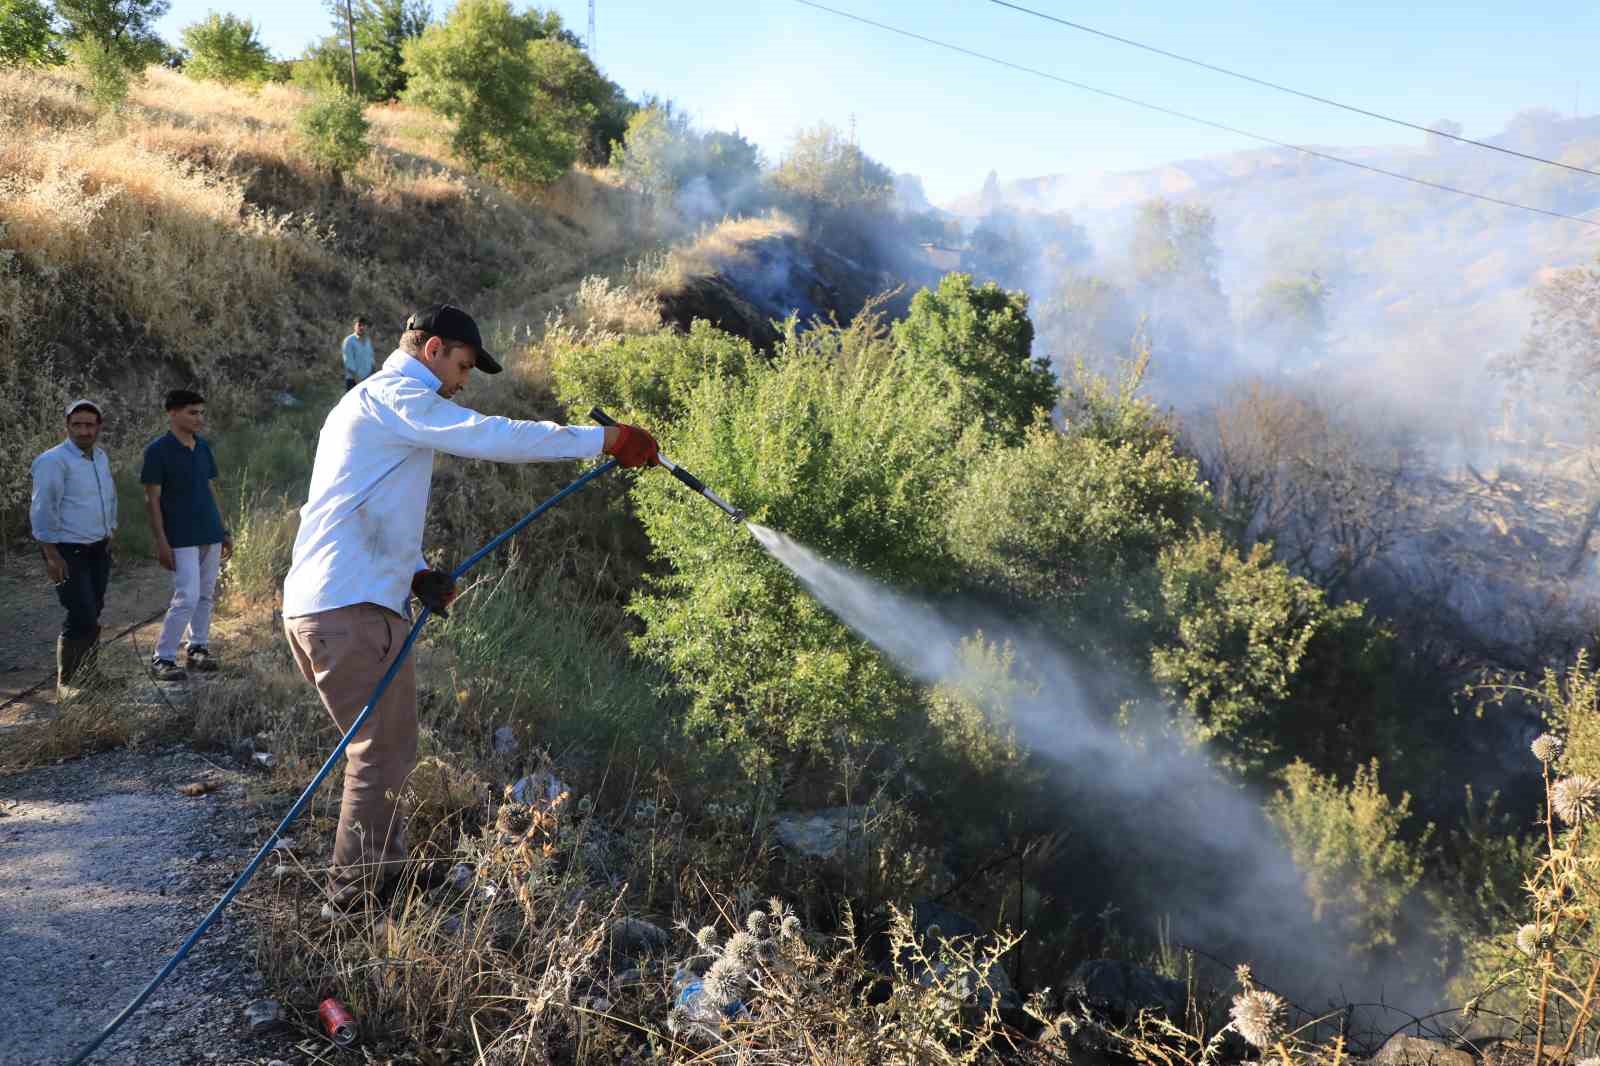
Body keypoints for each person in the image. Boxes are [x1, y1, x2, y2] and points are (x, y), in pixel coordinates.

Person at [281, 303, 659, 917]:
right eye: (461, 365)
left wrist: (416, 573)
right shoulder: (394, 396)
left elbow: (364, 505)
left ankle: (388, 877)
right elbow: (491, 435)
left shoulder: (372, 407)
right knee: (378, 755)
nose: (462, 382)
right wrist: (605, 439)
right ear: (431, 348)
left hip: (335, 602)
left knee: (388, 750)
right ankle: (349, 906)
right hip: (347, 610)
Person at [141, 389, 232, 682]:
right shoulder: (157, 451)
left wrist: (223, 528)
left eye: (201, 413)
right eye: (192, 413)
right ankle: (163, 657)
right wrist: (161, 540)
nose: (199, 418)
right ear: (172, 413)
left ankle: (198, 648)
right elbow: (152, 499)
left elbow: (209, 488)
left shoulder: (202, 447)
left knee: (206, 594)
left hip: (210, 531)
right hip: (180, 536)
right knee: (187, 596)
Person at [30, 399, 118, 698]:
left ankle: (91, 675)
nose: (83, 430)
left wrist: (111, 530)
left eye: (89, 425)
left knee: (94, 610)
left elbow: (108, 495)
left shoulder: (101, 457)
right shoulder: (53, 461)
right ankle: (68, 682)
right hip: (67, 550)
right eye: (77, 424)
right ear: (67, 426)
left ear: (99, 427)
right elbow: (43, 509)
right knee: (80, 612)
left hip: (98, 549)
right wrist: (51, 555)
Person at [341, 316, 375, 391]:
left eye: (364, 325)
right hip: (353, 381)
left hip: (367, 380)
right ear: (354, 326)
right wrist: (358, 380)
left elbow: (371, 359)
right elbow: (348, 363)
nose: (362, 327)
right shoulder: (349, 341)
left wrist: (372, 375)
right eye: (359, 325)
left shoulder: (368, 341)